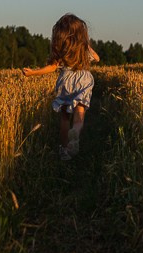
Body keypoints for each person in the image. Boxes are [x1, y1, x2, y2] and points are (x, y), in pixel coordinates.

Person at [22, 13, 100, 161]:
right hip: (83, 79)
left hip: (66, 81)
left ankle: (64, 149)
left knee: (64, 117)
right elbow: (97, 58)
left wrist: (33, 73)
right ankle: (76, 130)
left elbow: (51, 67)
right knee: (80, 108)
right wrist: (86, 45)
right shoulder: (83, 48)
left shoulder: (63, 51)